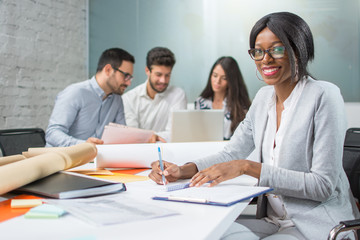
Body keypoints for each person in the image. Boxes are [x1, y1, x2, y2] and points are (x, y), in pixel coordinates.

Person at [149, 12, 360, 240]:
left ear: (298, 51)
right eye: (258, 51)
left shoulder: (324, 96)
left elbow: (322, 186)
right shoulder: (262, 98)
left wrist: (247, 167)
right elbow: (231, 152)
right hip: (272, 221)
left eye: (277, 49)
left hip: (315, 225)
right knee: (207, 234)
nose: (265, 59)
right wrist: (183, 171)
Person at [46, 48, 135, 147]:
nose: (128, 83)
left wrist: (144, 138)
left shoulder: (117, 100)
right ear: (108, 70)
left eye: (130, 78)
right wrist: (83, 145)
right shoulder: (76, 93)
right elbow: (52, 133)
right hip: (63, 158)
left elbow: (122, 135)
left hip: (94, 159)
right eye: (126, 76)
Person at [122, 47, 187, 142]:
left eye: (167, 75)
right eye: (158, 75)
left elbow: (175, 133)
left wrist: (148, 136)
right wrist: (153, 137)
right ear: (147, 71)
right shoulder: (129, 98)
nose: (163, 80)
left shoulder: (178, 95)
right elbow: (133, 135)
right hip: (139, 152)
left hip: (170, 152)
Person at [194, 56, 251, 140]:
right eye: (215, 75)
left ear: (231, 81)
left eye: (224, 78)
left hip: (230, 150)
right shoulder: (200, 102)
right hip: (204, 148)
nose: (217, 81)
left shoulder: (240, 107)